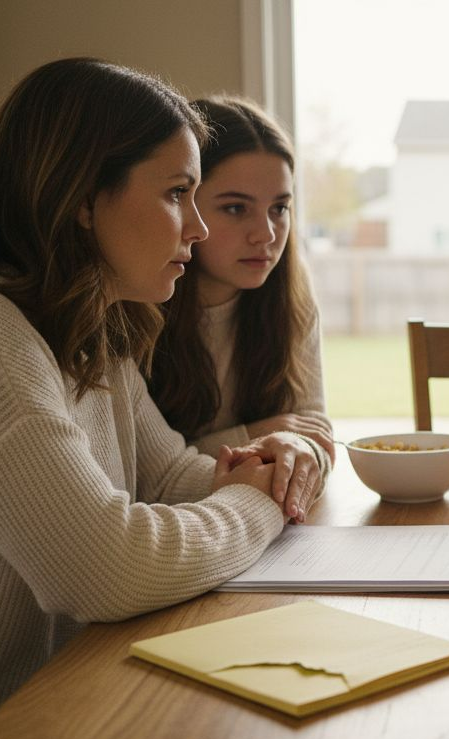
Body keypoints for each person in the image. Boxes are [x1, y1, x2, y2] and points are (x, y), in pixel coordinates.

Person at [0, 58, 326, 739]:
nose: (196, 230)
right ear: (82, 199)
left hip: (72, 700)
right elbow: (106, 569)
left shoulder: (93, 331)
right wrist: (262, 503)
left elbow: (170, 480)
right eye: (177, 194)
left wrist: (274, 463)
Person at [147, 95, 334, 466]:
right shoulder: (138, 301)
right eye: (236, 208)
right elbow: (143, 472)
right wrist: (254, 437)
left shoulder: (291, 289)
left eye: (280, 208)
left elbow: (317, 439)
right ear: (183, 203)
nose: (265, 235)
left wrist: (292, 445)